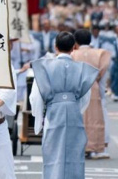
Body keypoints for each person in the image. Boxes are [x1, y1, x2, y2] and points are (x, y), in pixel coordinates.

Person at [30, 32, 99, 178]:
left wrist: (39, 118)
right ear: (74, 47)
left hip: (53, 112)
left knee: (52, 153)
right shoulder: (81, 68)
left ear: (55, 47)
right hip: (74, 113)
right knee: (74, 154)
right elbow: (85, 97)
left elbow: (36, 97)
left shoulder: (44, 67)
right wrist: (74, 109)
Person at [71, 29, 112, 160]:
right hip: (93, 89)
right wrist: (102, 97)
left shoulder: (73, 54)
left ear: (75, 42)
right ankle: (95, 148)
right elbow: (103, 79)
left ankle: (78, 148)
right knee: (95, 120)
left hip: (77, 90)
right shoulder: (100, 54)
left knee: (78, 119)